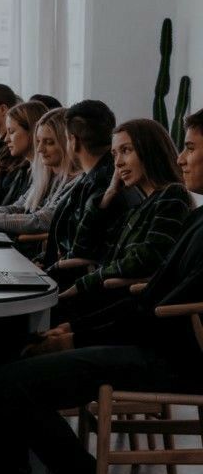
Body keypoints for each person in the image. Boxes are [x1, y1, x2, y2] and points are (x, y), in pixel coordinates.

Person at [0, 109, 203, 474]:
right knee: (5, 367)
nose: (183, 158)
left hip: (170, 357)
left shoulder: (180, 208)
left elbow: (155, 308)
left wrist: (77, 334)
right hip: (146, 340)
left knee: (8, 380)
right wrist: (75, 331)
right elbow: (148, 300)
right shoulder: (195, 217)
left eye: (190, 147)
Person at [56, 118, 192, 322]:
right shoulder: (137, 205)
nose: (117, 163)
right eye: (114, 154)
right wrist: (108, 195)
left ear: (150, 151)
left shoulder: (173, 195)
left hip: (127, 308)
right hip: (107, 299)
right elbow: (82, 249)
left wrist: (85, 283)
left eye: (126, 150)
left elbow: (145, 258)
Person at [0, 107, 79, 236]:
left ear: (68, 143)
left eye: (49, 142)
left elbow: (39, 221)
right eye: (38, 142)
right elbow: (18, 207)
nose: (39, 149)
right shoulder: (44, 175)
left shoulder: (75, 182)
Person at [40, 100, 116, 288]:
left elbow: (81, 247)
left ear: (73, 141)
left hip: (71, 284)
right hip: (57, 271)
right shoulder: (94, 176)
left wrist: (47, 269)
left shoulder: (102, 183)